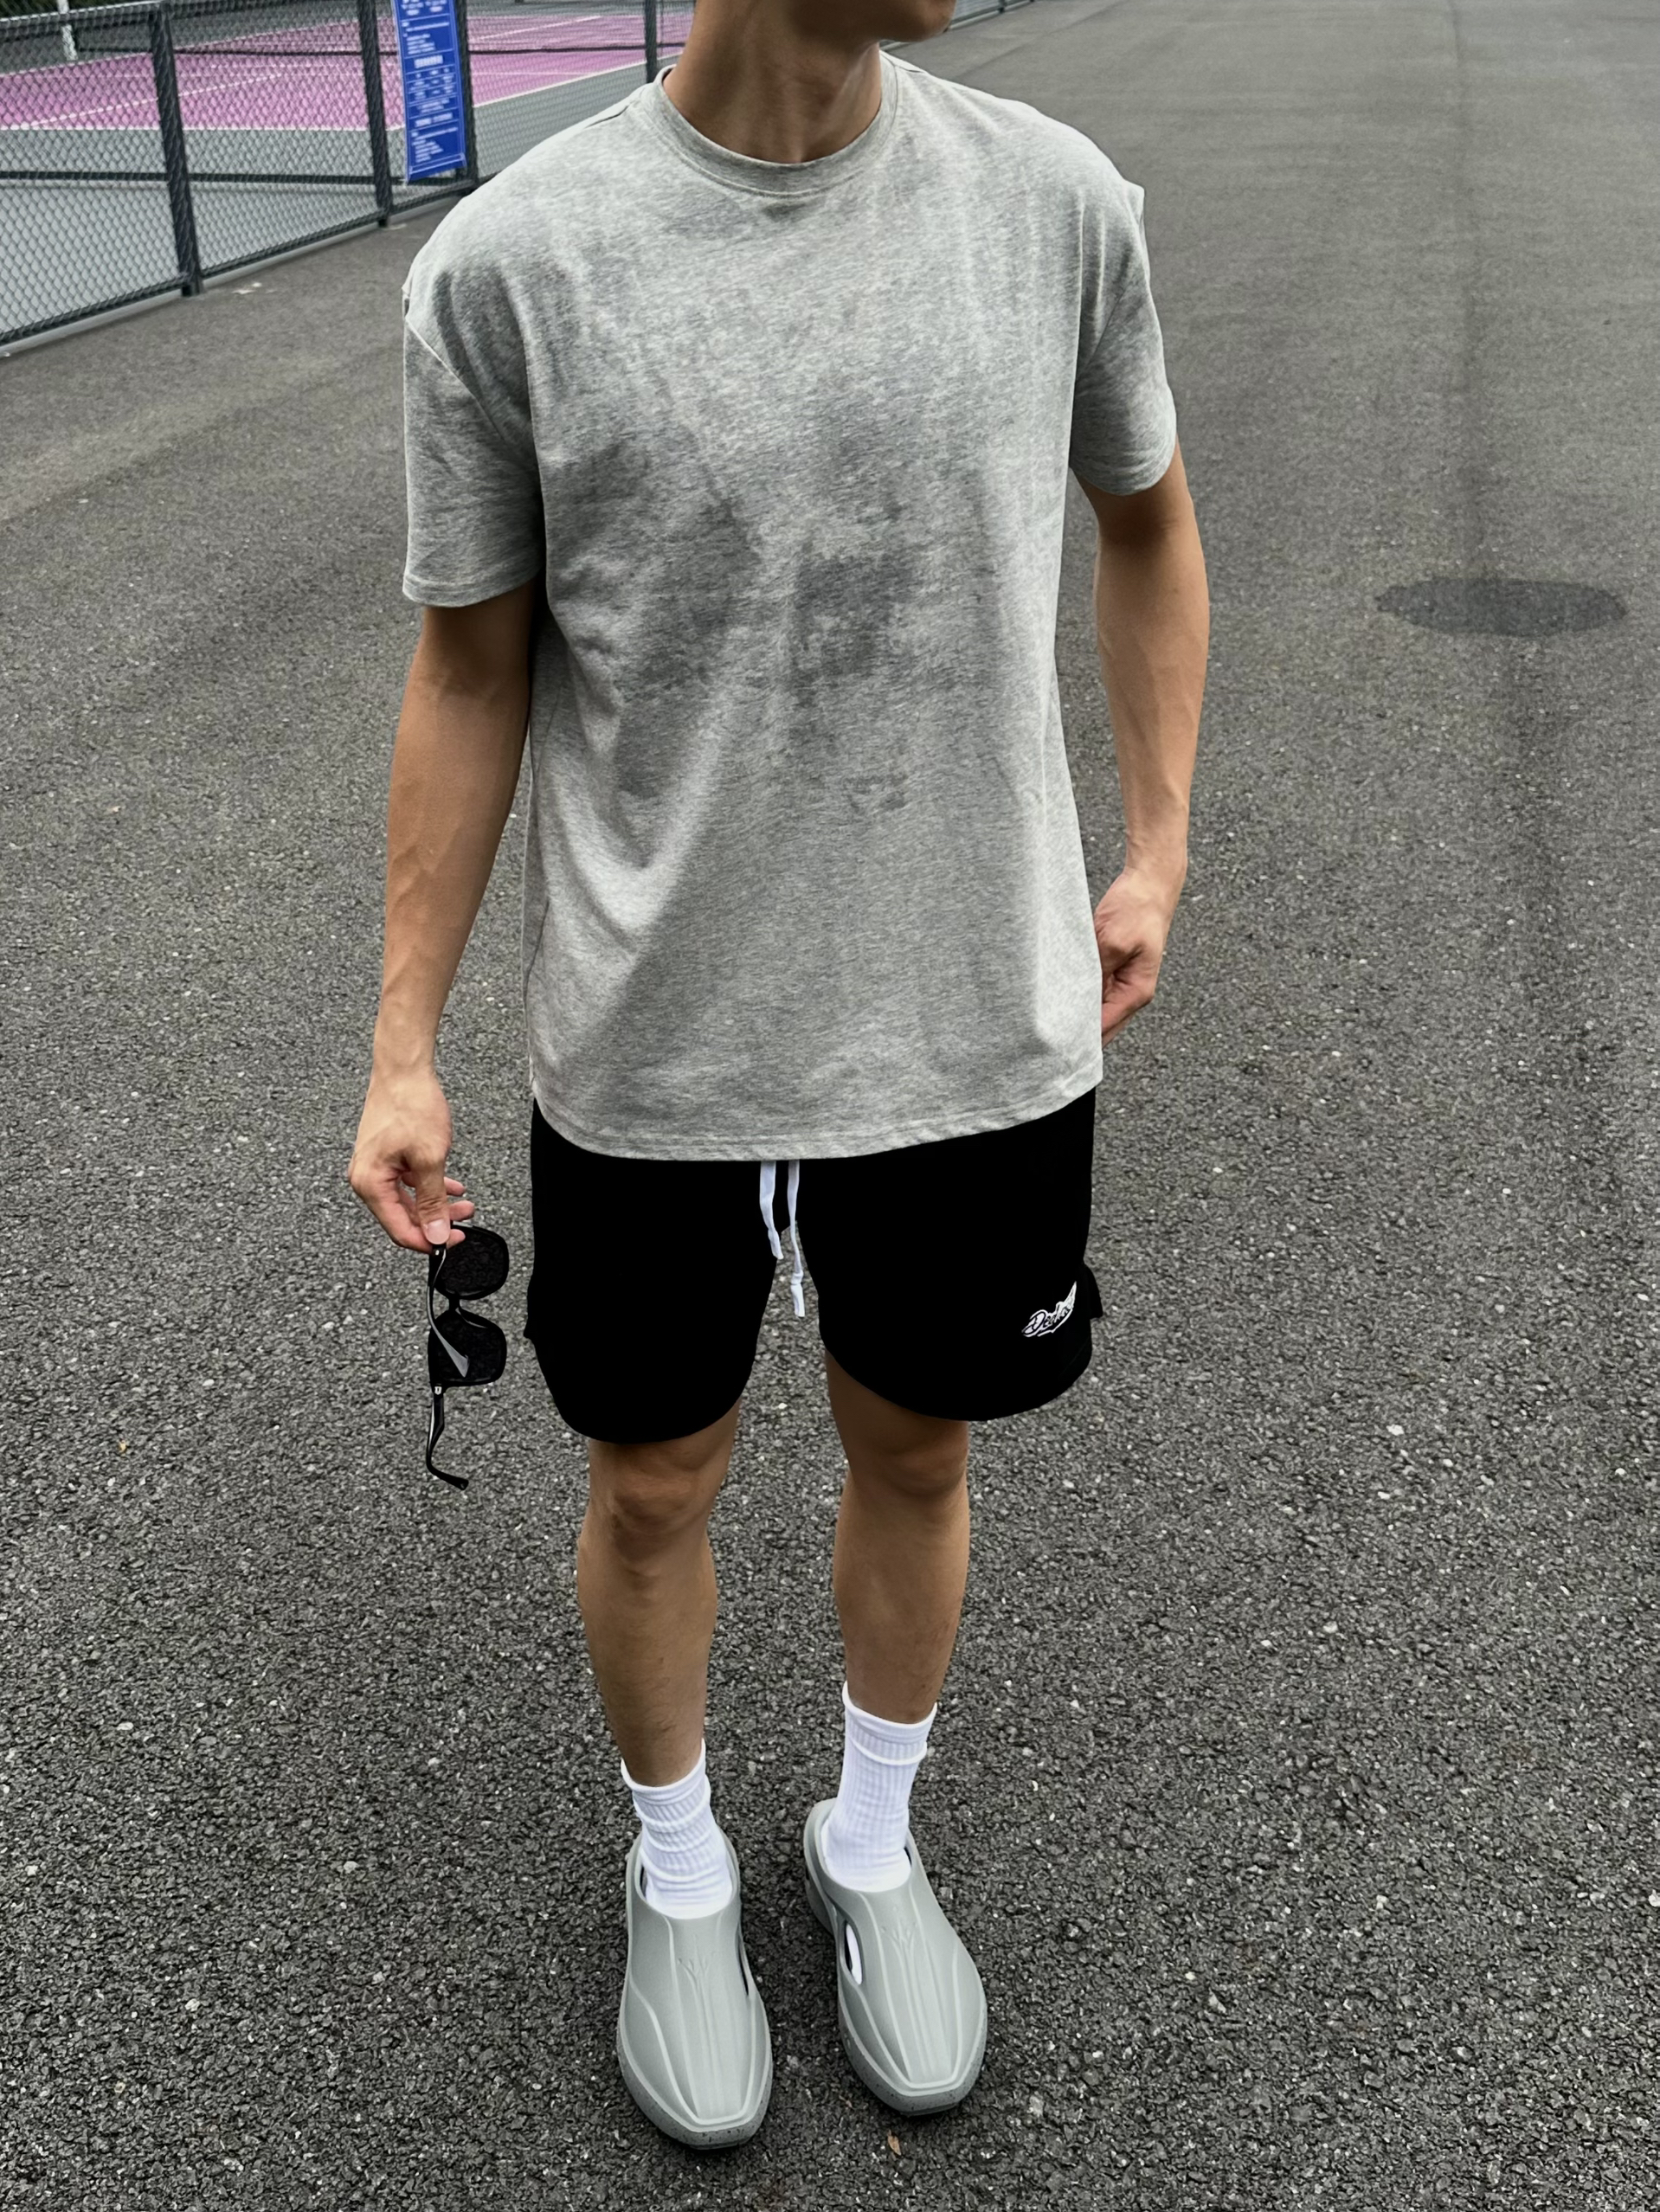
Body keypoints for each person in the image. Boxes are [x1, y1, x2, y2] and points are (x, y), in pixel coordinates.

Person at [349, 0, 1208, 2151]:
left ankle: (867, 1842)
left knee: (916, 1448)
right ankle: (678, 1873)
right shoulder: (513, 267)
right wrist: (400, 1041)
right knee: (652, 1479)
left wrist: (1157, 842)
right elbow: (468, 664)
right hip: (657, 1045)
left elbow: (1146, 518)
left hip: (969, 1022)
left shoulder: (1053, 208)